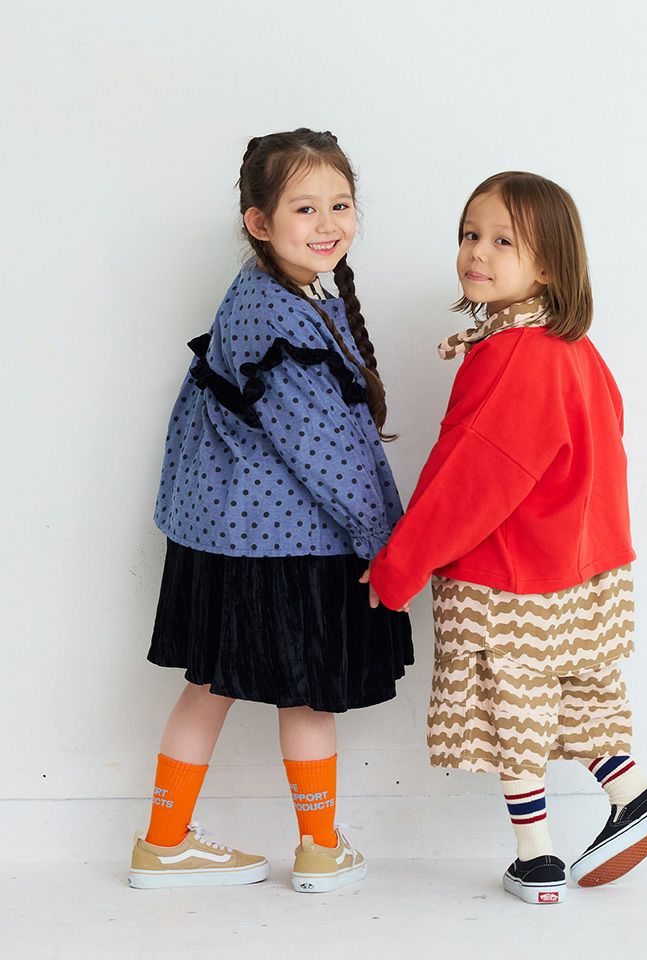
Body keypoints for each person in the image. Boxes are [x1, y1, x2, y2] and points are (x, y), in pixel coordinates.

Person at [366, 171, 647, 904]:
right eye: (469, 234)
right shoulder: (572, 346)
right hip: (582, 569)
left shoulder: (514, 354)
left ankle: (536, 856)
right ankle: (635, 791)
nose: (476, 252)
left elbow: (470, 478)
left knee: (507, 702)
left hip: (508, 573)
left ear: (547, 265)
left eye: (502, 241)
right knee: (572, 691)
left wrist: (400, 565)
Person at [128, 129, 413, 893]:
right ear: (259, 221)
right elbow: (325, 451)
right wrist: (385, 543)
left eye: (341, 205)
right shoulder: (280, 316)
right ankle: (319, 848)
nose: (328, 223)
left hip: (226, 535)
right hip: (287, 541)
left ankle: (163, 843)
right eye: (305, 208)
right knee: (306, 694)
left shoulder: (263, 293)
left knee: (209, 686)